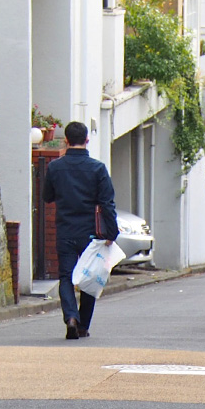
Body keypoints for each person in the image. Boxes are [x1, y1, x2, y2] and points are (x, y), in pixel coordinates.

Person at [42, 120, 119, 340]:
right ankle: (83, 325)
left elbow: (47, 197)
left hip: (65, 229)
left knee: (66, 276)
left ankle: (70, 317)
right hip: (91, 234)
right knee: (89, 276)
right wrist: (111, 233)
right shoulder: (97, 168)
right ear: (86, 140)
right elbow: (107, 203)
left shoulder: (55, 167)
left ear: (66, 140)